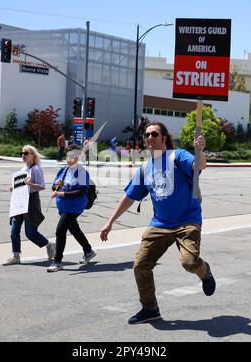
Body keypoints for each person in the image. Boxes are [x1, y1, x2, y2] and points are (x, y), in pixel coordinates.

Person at [100, 121, 216, 324]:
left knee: (189, 263)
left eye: (154, 134)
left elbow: (200, 165)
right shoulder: (145, 167)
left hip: (187, 221)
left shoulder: (177, 155)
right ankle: (150, 309)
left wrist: (200, 151)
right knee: (140, 265)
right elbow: (129, 197)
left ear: (164, 138)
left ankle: (204, 272)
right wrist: (110, 222)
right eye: (147, 135)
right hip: (160, 224)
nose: (150, 138)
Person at [3, 145, 55, 266]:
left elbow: (42, 186)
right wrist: (14, 188)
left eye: (26, 153)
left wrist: (30, 184)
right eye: (22, 153)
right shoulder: (22, 170)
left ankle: (49, 244)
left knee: (30, 233)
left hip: (31, 201)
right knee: (14, 230)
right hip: (19, 201)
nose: (23, 155)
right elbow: (21, 187)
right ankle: (16, 256)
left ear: (33, 155)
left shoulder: (36, 169)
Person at [47, 144, 96, 272]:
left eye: (72, 155)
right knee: (74, 229)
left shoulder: (81, 172)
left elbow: (81, 192)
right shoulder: (63, 170)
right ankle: (88, 250)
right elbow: (54, 187)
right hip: (63, 206)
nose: (69, 158)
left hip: (75, 206)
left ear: (78, 157)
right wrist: (56, 187)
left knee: (60, 230)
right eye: (68, 155)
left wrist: (60, 193)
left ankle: (57, 261)